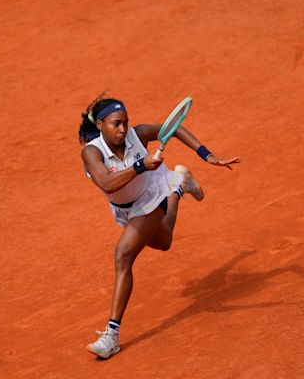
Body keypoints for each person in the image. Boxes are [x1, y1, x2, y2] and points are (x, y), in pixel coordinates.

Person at [79, 94, 240, 359]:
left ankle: (111, 335)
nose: (122, 129)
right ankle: (180, 184)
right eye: (116, 124)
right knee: (164, 242)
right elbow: (107, 183)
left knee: (123, 254)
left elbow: (173, 127)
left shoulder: (137, 134)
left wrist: (207, 155)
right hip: (124, 207)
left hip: (150, 195)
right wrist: (141, 165)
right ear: (99, 124)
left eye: (125, 122)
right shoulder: (91, 152)